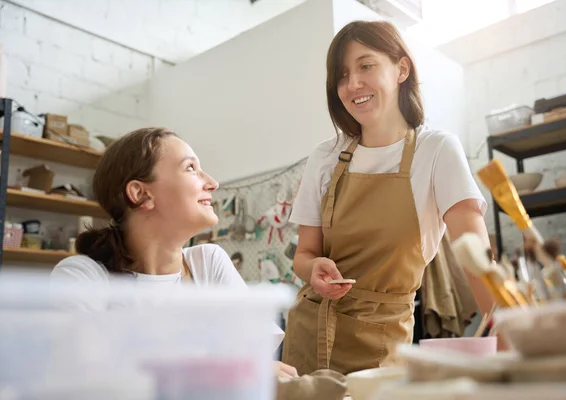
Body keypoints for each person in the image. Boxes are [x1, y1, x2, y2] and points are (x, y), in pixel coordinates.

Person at [281, 20, 496, 375]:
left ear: (401, 68)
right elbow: (305, 254)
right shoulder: (325, 156)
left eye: (366, 66)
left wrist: (509, 340)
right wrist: (312, 269)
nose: (352, 85)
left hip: (383, 346)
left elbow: (479, 262)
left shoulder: (436, 149)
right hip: (308, 334)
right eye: (342, 75)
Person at [50, 127, 298, 379]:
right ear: (140, 194)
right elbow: (87, 376)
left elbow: (255, 355)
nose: (212, 183)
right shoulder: (82, 276)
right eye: (190, 168)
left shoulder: (209, 262)